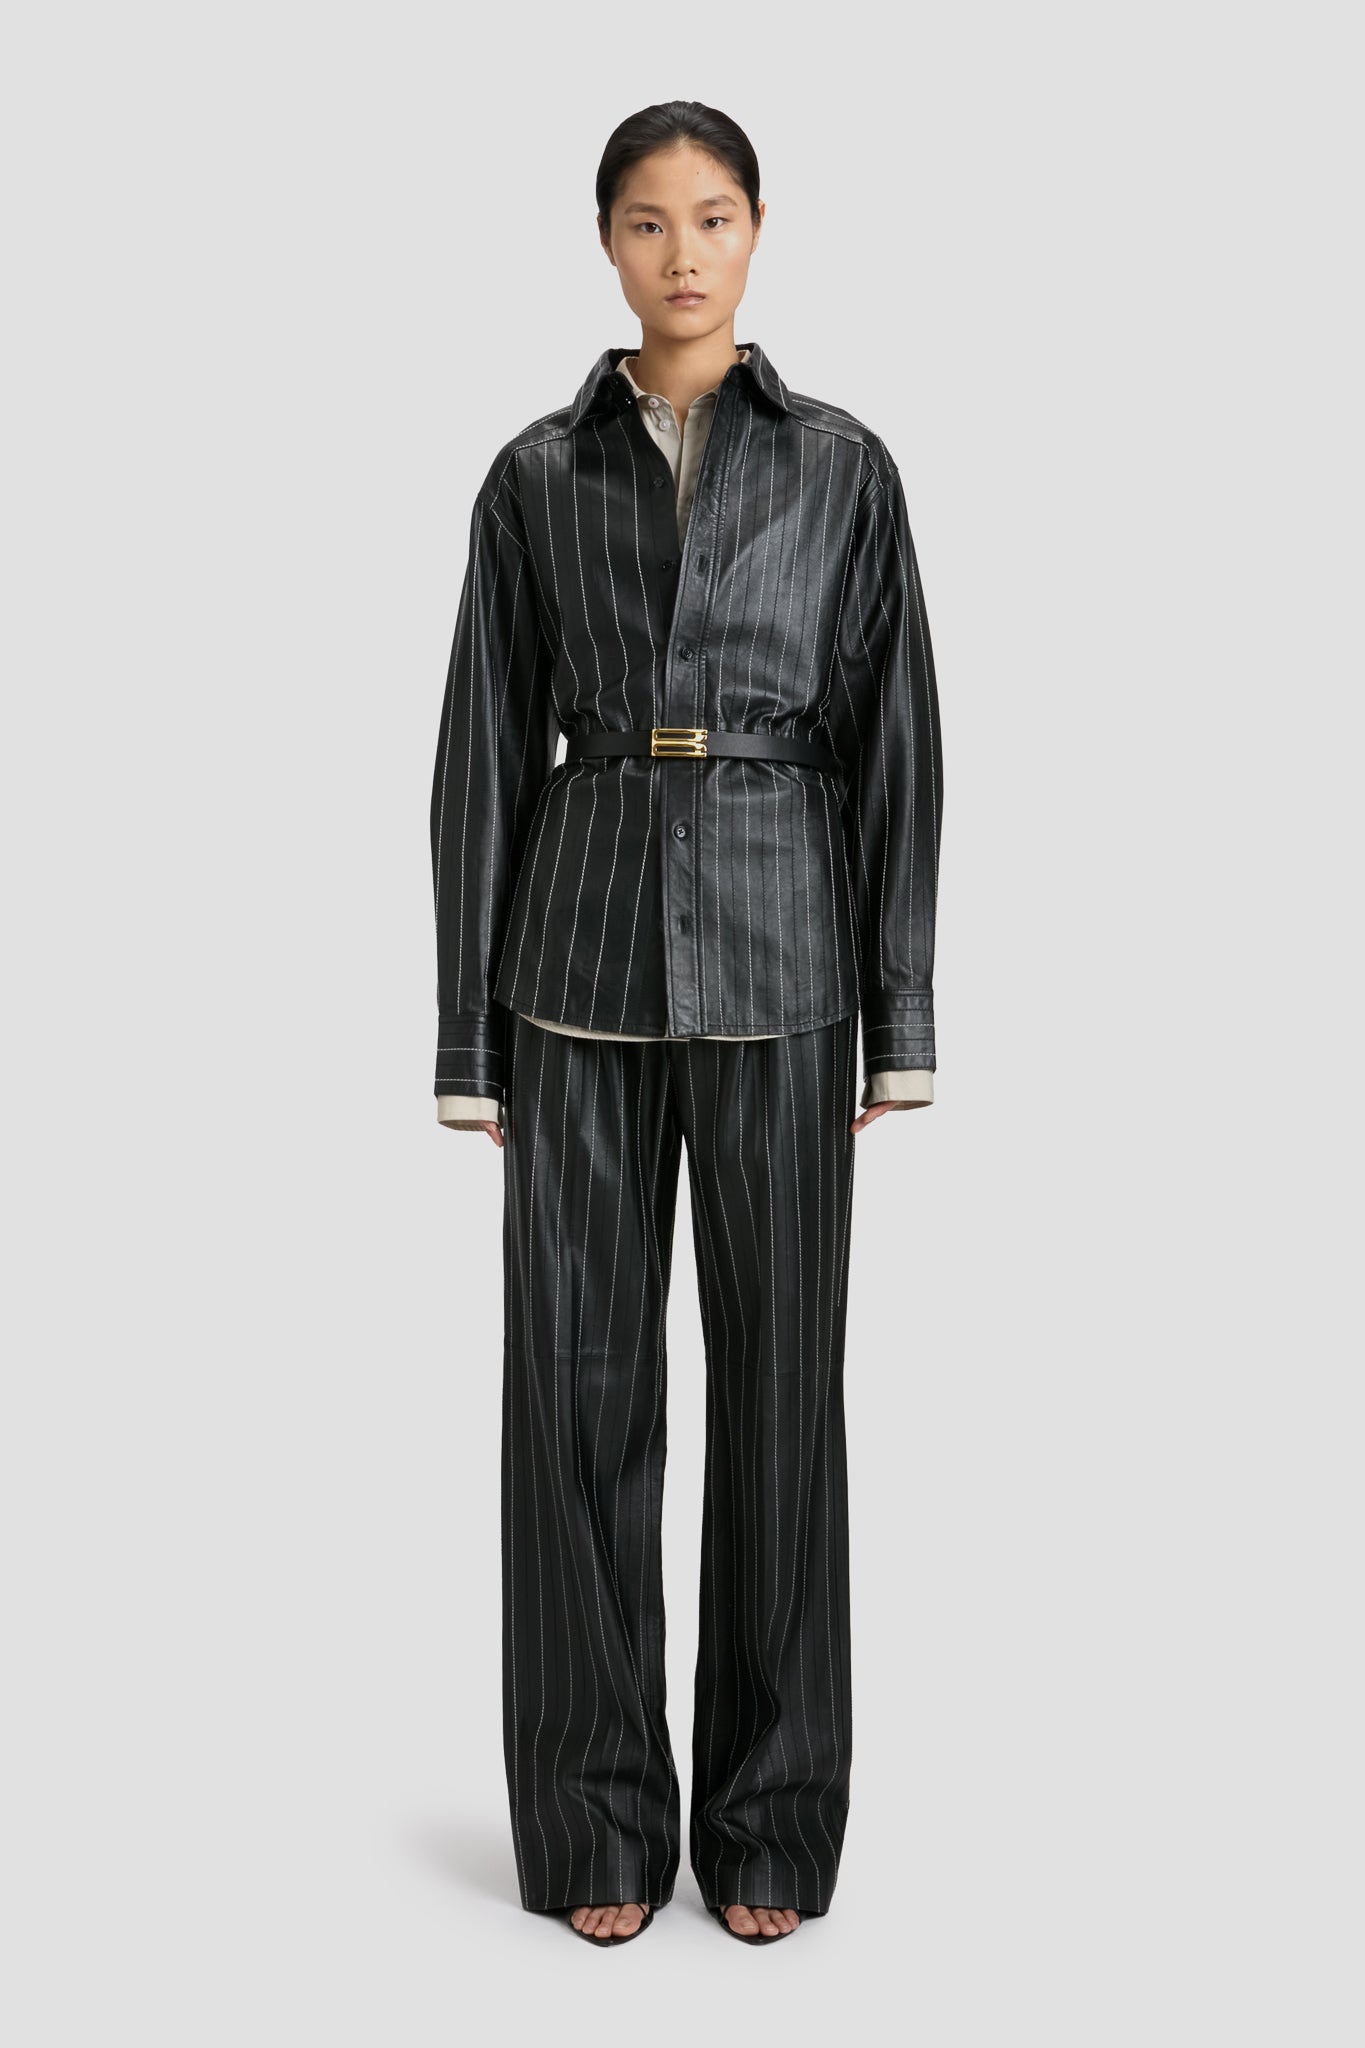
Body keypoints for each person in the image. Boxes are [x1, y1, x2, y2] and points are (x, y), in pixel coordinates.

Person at [430, 100, 944, 1946]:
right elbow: (480, 756)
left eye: (711, 217)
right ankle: (592, 1828)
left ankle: (772, 1825)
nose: (681, 253)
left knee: (783, 1402)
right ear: (605, 241)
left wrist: (897, 1016)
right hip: (569, 982)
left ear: (756, 231)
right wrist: (466, 1038)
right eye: (647, 221)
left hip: (786, 969)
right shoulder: (532, 477)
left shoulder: (841, 468)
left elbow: (896, 740)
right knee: (574, 1403)